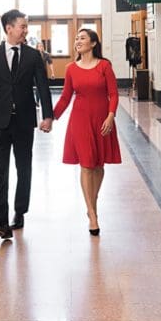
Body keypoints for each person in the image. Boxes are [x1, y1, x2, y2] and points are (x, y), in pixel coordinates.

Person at [0, 9, 54, 239]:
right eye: (22, 26)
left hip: (24, 122)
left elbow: (43, 86)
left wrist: (47, 116)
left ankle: (20, 212)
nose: (26, 31)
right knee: (0, 172)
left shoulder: (32, 56)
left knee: (24, 169)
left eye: (26, 27)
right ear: (9, 28)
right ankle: (1, 221)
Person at [53, 28, 121, 236]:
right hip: (80, 121)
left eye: (82, 38)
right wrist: (51, 117)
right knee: (86, 165)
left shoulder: (104, 66)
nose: (78, 41)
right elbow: (65, 97)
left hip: (102, 120)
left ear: (93, 43)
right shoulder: (71, 68)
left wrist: (111, 116)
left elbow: (113, 94)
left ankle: (93, 199)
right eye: (76, 39)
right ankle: (92, 214)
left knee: (98, 165)